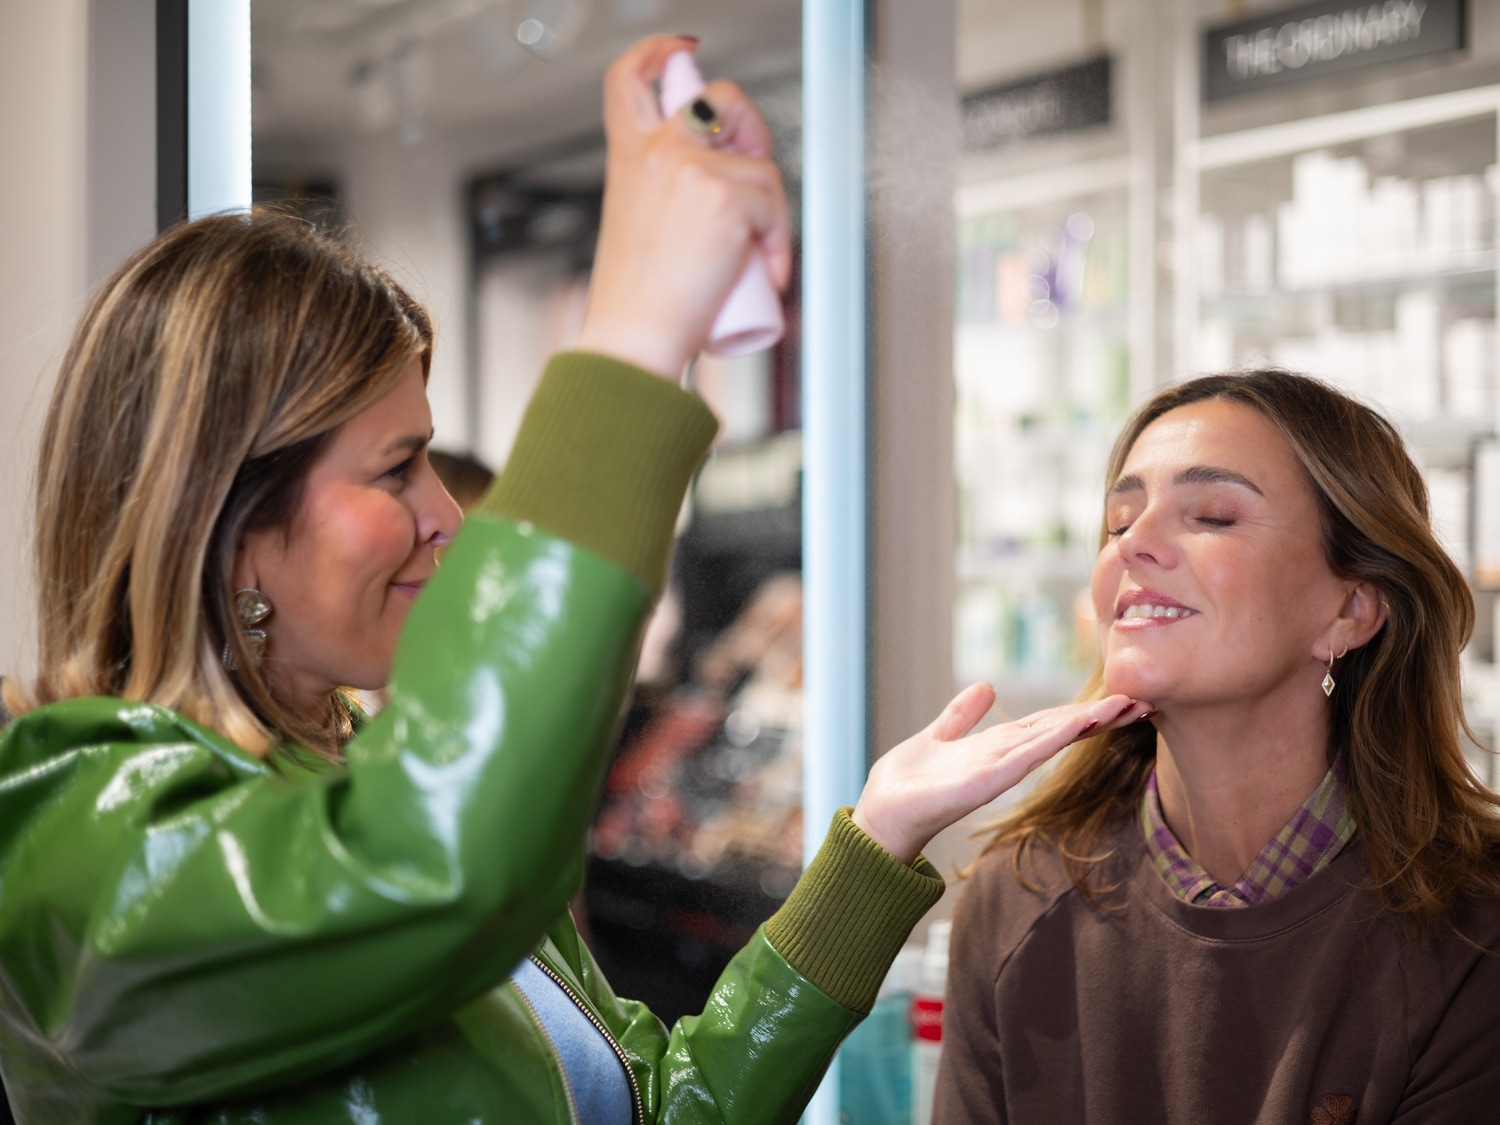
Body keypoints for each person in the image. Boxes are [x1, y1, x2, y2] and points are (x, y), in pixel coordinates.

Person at [0, 37, 1151, 1125]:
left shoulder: (360, 771)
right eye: (396, 468)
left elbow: (658, 1105)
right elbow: (432, 866)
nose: (446, 515)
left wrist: (876, 842)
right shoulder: (75, 836)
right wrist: (634, 340)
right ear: (232, 523)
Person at [935, 370, 1500, 1125]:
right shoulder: (1017, 895)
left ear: (1351, 608)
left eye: (1212, 514)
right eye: (1118, 519)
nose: (1134, 544)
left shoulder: (1473, 927)